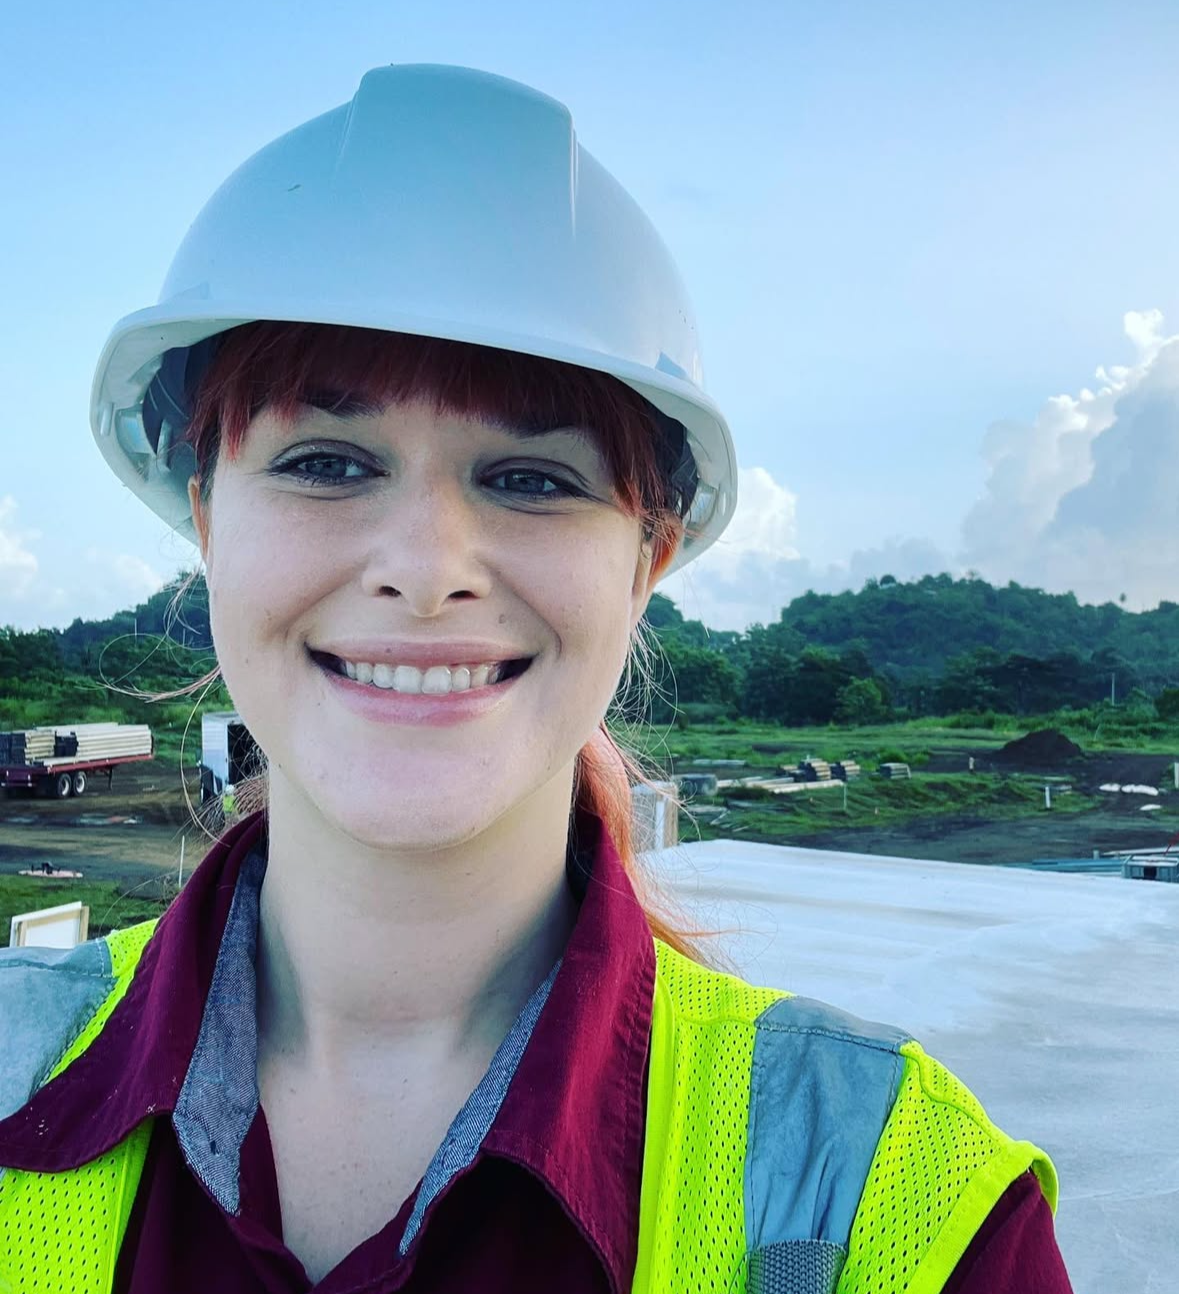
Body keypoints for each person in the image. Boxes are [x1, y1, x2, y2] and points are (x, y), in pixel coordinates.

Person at [0, 66, 1073, 1293]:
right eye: (328, 460)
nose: (423, 569)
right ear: (206, 515)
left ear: (646, 559)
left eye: (531, 477)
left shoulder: (897, 1202)